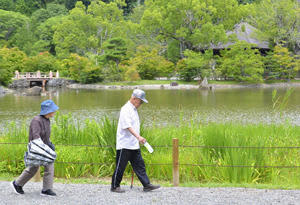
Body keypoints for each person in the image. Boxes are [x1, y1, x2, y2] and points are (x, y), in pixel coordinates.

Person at [111, 89, 160, 193]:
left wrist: (137, 139)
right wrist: (139, 137)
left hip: (133, 144)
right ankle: (115, 186)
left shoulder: (133, 109)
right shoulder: (125, 109)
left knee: (140, 165)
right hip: (124, 144)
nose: (141, 104)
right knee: (120, 166)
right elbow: (127, 126)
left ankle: (146, 185)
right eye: (140, 101)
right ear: (134, 99)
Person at [11, 100, 59, 196]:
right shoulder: (36, 121)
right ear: (48, 111)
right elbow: (36, 137)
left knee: (49, 164)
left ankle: (46, 189)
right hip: (36, 149)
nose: (54, 112)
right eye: (53, 110)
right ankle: (17, 184)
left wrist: (49, 144)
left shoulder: (47, 120)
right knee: (33, 169)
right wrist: (45, 149)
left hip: (44, 148)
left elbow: (46, 136)